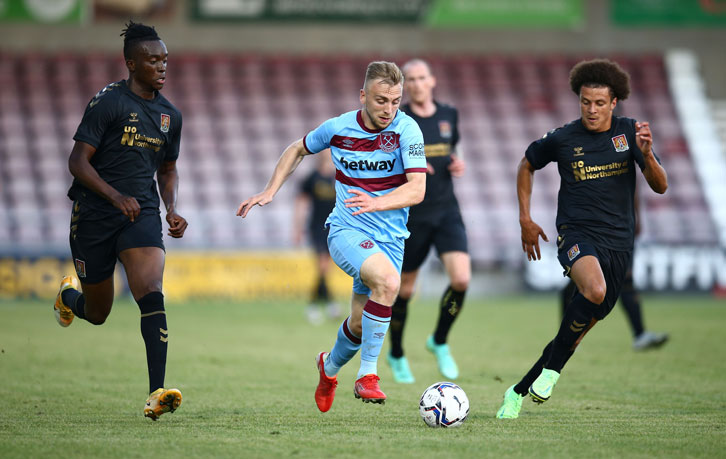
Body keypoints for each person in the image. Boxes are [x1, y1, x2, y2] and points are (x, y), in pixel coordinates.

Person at [237, 61, 426, 412]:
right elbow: (296, 148)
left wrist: (378, 201)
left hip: (391, 238)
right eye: (381, 100)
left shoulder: (407, 130)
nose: (389, 109)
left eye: (396, 101)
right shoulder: (337, 128)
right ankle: (368, 376)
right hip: (346, 229)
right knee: (388, 282)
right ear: (363, 95)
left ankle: (329, 367)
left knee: (358, 324)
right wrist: (270, 190)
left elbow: (417, 190)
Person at [496, 59, 668, 419]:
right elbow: (526, 165)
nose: (591, 110)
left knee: (569, 337)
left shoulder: (631, 133)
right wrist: (524, 218)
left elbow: (660, 185)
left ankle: (516, 392)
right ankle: (554, 373)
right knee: (595, 290)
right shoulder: (563, 137)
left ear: (614, 102)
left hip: (619, 243)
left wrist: (648, 155)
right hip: (575, 234)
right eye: (585, 102)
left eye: (599, 103)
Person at [52, 21, 187, 421]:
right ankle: (67, 298)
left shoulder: (169, 115)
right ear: (131, 63)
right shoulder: (109, 102)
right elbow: (77, 162)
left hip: (140, 213)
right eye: (153, 60)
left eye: (165, 60)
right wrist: (114, 195)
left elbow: (168, 169)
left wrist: (171, 208)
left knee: (151, 289)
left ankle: (156, 393)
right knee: (97, 313)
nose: (162, 67)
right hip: (94, 215)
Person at [386, 59, 470, 384]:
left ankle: (439, 340)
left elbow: (453, 148)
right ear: (406, 86)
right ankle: (395, 353)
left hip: (447, 209)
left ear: (432, 81)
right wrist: (410, 170)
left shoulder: (449, 114)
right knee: (403, 289)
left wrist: (456, 162)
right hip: (413, 214)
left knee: (461, 280)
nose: (418, 84)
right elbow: (389, 163)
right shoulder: (400, 121)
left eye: (423, 78)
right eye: (412, 80)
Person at [560, 193, 668, 351]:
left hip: (620, 228)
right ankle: (566, 336)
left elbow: (633, 187)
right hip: (593, 228)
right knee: (583, 283)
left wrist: (635, 216)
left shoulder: (627, 173)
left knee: (625, 278)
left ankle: (640, 334)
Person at [292, 149, 341, 324]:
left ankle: (326, 304)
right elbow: (301, 203)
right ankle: (318, 305)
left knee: (326, 269)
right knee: (323, 267)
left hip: (335, 228)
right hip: (316, 227)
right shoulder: (312, 178)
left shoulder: (339, 177)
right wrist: (297, 228)